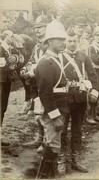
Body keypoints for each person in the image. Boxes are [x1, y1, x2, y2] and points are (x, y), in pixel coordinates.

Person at [60, 27, 99, 174]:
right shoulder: (59, 57)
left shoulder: (83, 56)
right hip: (63, 99)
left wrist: (95, 91)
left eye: (74, 41)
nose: (71, 44)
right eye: (69, 41)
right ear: (65, 41)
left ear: (78, 41)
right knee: (62, 130)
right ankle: (61, 160)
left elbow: (93, 75)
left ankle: (76, 160)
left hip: (80, 98)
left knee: (77, 130)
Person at [35, 20, 69, 178]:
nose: (63, 43)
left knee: (54, 145)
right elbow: (45, 94)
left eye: (64, 39)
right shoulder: (46, 63)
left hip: (58, 109)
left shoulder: (54, 60)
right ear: (49, 42)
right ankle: (44, 176)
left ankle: (51, 175)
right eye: (59, 40)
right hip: (51, 113)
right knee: (52, 146)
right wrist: (55, 117)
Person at [21, 15, 49, 152]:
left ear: (47, 28)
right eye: (36, 28)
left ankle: (46, 141)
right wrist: (25, 69)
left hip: (48, 82)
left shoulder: (49, 44)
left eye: (41, 27)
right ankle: (40, 137)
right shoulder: (37, 46)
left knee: (47, 111)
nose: (38, 30)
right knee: (38, 110)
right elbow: (32, 60)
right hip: (37, 83)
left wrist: (33, 70)